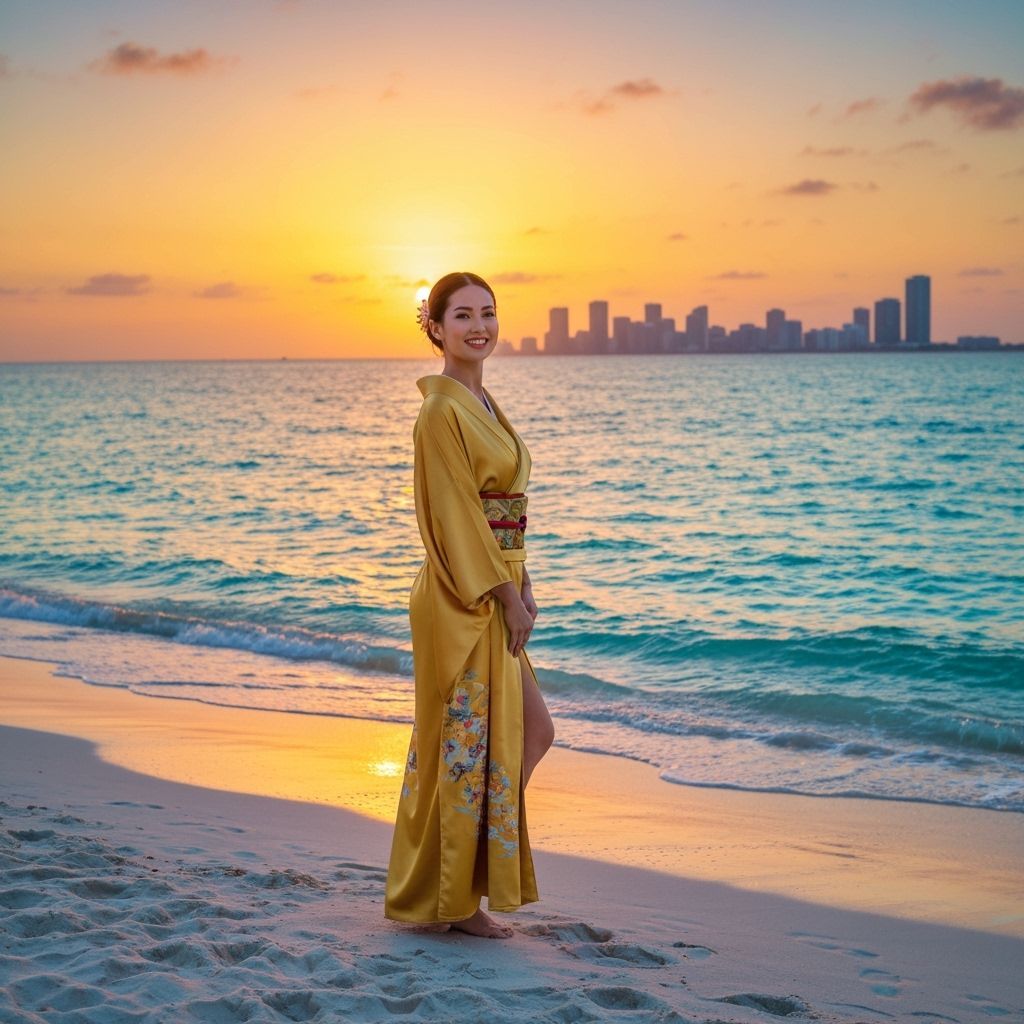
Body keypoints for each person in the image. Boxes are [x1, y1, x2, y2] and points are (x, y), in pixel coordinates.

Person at [384, 271, 555, 939]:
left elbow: (502, 514)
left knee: (526, 735)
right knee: (465, 747)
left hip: (497, 584)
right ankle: (455, 901)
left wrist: (525, 579)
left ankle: (463, 881)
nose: (478, 325)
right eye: (462, 316)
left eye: (488, 312)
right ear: (435, 327)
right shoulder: (439, 412)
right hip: (464, 596)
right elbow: (457, 516)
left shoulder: (481, 402)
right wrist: (506, 593)